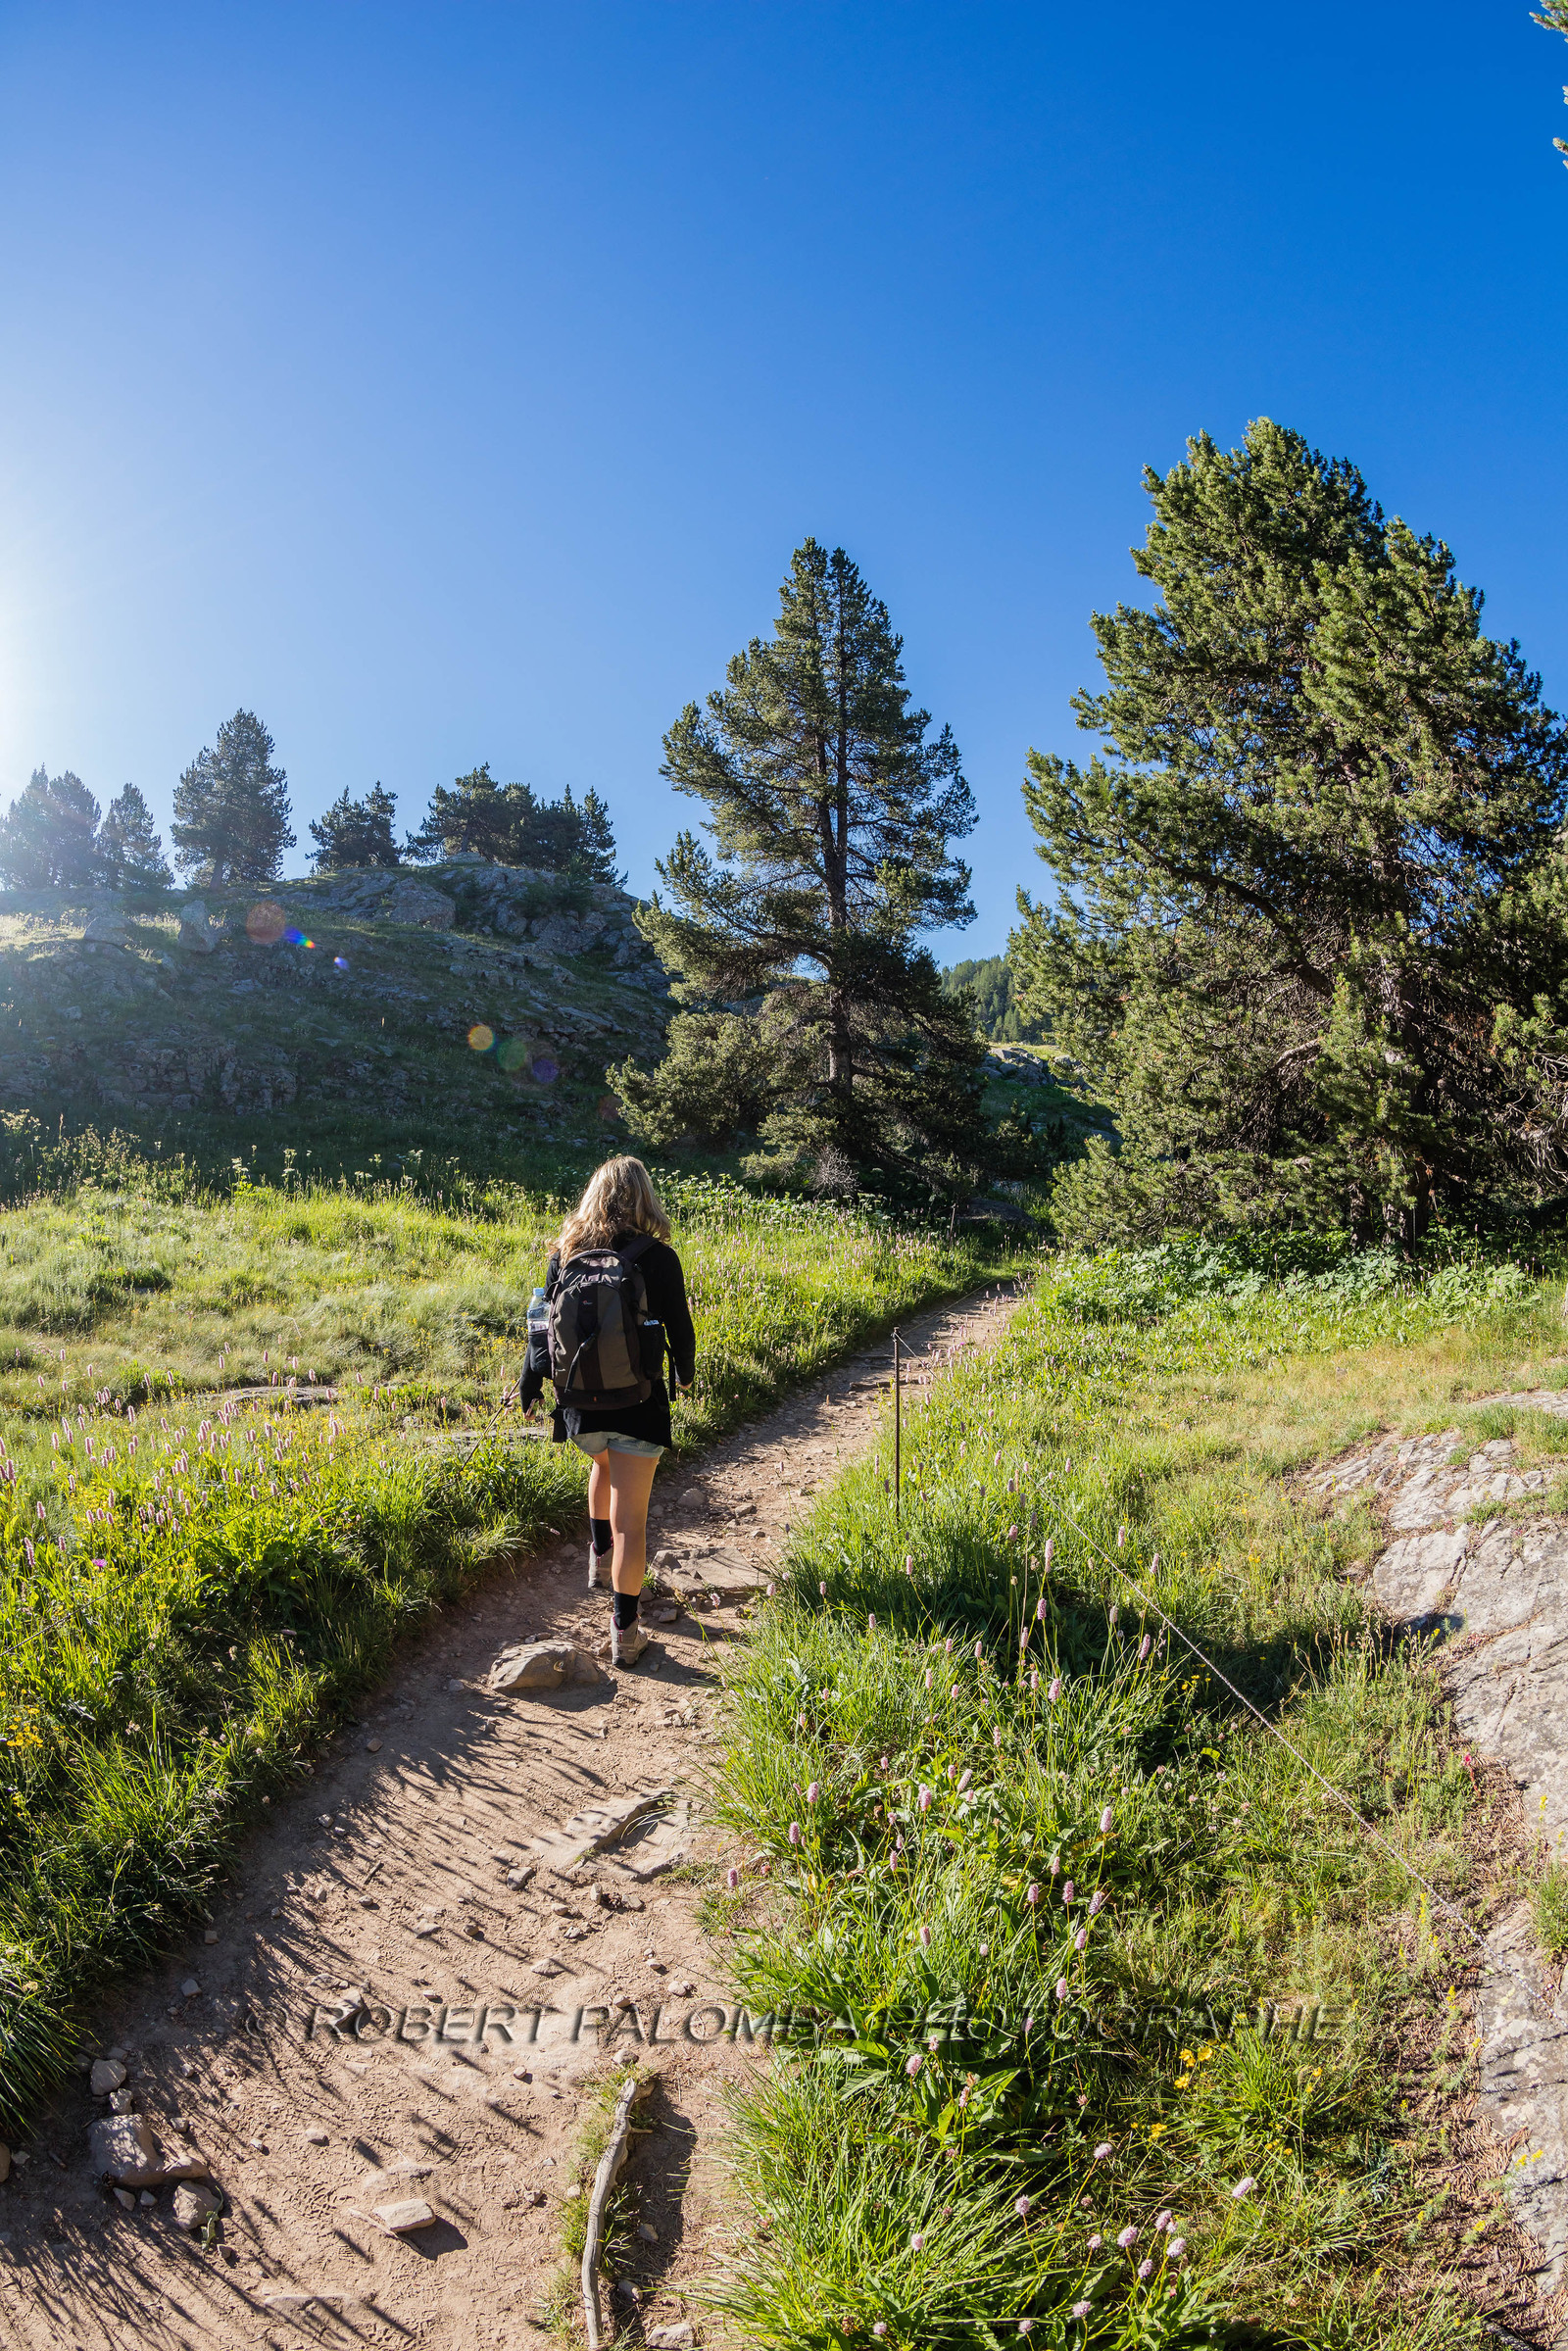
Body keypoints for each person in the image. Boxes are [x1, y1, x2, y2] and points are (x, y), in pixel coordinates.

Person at [516, 1155, 695, 1667]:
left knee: (603, 1464)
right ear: (644, 1198)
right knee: (631, 1524)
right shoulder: (658, 1258)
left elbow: (540, 1326)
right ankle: (625, 1631)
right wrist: (684, 1375)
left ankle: (598, 1560)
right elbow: (680, 1328)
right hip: (638, 1404)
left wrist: (530, 1382)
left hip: (579, 1406)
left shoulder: (565, 1254)